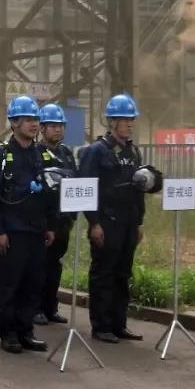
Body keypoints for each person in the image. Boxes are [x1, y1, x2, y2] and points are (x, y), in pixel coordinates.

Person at [0, 96, 56, 354]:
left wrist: (49, 225)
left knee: (33, 283)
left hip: (36, 230)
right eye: (27, 119)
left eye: (36, 119)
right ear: (14, 123)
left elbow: (49, 192)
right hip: (11, 232)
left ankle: (26, 331)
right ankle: (9, 333)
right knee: (9, 285)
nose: (34, 124)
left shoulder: (42, 155)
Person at [78, 94, 146, 344]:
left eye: (131, 119)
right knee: (104, 274)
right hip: (106, 223)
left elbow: (138, 191)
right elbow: (87, 189)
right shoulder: (96, 151)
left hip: (128, 224)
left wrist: (138, 223)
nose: (129, 124)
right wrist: (94, 223)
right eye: (125, 120)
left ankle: (119, 324)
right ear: (112, 121)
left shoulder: (133, 152)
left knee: (122, 274)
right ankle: (101, 325)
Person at [35, 103, 78, 325]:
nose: (58, 129)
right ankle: (36, 308)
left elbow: (75, 180)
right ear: (42, 128)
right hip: (44, 219)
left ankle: (51, 307)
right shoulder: (36, 153)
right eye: (53, 125)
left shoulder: (66, 153)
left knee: (55, 264)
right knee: (40, 265)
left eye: (61, 125)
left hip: (63, 218)